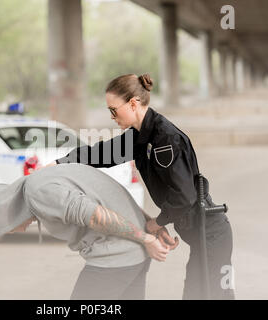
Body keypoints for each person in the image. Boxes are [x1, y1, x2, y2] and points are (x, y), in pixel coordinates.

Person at [45, 73, 235, 300]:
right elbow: (101, 153)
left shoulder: (165, 138)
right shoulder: (140, 137)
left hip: (212, 234)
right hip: (200, 235)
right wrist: (59, 162)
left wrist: (156, 223)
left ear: (133, 103)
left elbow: (184, 197)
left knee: (215, 296)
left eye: (113, 110)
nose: (112, 116)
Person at [0, 163, 178, 300]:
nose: (15, 231)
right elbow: (109, 195)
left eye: (6, 230)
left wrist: (146, 238)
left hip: (116, 256)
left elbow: (96, 214)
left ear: (4, 215)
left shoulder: (39, 193)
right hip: (134, 254)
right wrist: (150, 224)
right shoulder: (43, 179)